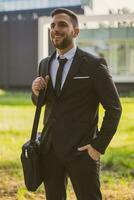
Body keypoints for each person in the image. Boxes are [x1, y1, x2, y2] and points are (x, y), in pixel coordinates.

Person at [31, 8, 122, 200]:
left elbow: (114, 108)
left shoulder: (94, 65)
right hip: (50, 150)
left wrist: (98, 146)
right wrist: (36, 92)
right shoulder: (44, 64)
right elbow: (43, 104)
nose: (56, 29)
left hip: (82, 152)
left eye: (62, 24)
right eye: (53, 25)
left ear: (76, 31)